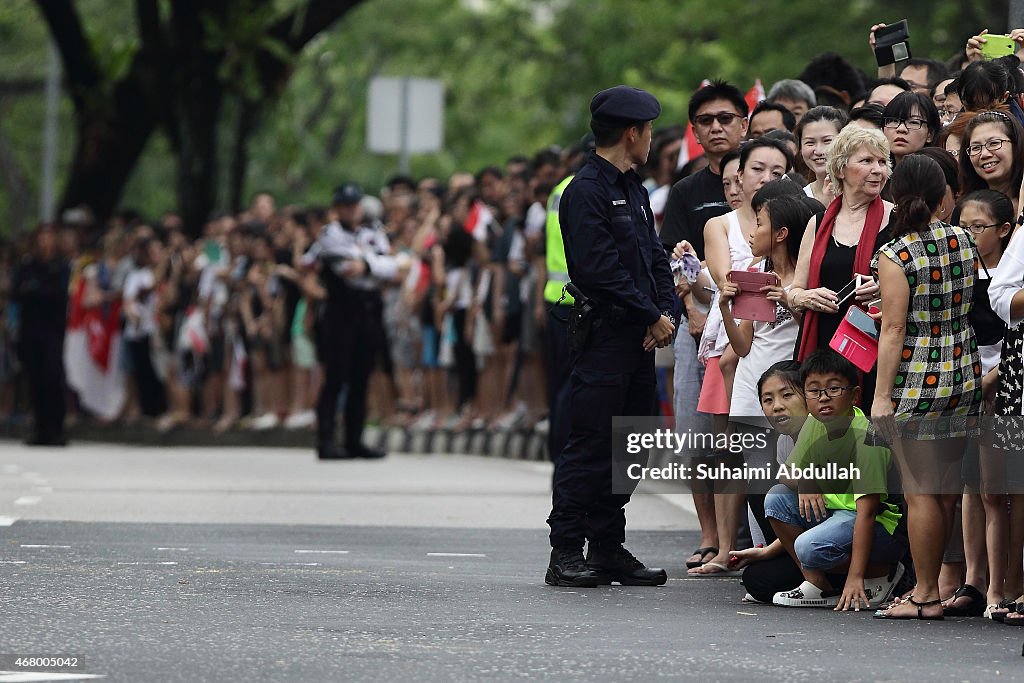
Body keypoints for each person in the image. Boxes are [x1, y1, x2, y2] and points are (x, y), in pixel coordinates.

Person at [545, 85, 674, 587]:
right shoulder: (586, 191)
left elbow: (653, 259)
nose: (649, 141)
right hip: (604, 338)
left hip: (640, 337)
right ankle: (565, 550)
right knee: (592, 443)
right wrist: (648, 314)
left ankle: (607, 545)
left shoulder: (633, 188)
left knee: (634, 444)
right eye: (646, 132)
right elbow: (599, 270)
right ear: (632, 133)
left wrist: (663, 312)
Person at [872, 154, 982, 620]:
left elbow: (893, 329)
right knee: (945, 492)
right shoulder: (963, 239)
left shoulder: (894, 255)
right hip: (964, 372)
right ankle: (934, 587)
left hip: (918, 378)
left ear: (895, 196)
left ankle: (925, 594)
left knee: (919, 493)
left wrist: (880, 396)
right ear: (944, 195)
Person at [766, 350, 906, 610]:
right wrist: (808, 480)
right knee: (776, 498)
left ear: (854, 395)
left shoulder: (866, 439)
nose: (824, 398)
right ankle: (818, 585)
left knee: (807, 547)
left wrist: (856, 578)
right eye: (814, 390)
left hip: (878, 525)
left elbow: (866, 513)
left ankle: (878, 573)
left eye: (834, 388)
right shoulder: (813, 423)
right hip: (836, 513)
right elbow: (787, 474)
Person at [788, 126, 891, 409]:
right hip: (823, 341)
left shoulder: (898, 220)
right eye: (867, 161)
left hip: (875, 346)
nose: (878, 170)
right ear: (841, 169)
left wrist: (884, 291)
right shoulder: (818, 223)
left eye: (882, 162)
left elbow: (916, 287)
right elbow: (793, 291)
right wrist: (806, 296)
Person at [307, 182, 397, 460]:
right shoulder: (329, 235)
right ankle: (326, 439)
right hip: (340, 310)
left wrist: (369, 265)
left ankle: (354, 439)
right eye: (345, 206)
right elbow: (347, 268)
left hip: (368, 310)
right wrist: (372, 263)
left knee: (362, 376)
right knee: (336, 377)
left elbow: (391, 267)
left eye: (355, 205)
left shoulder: (374, 231)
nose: (351, 210)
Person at [11, 225, 70, 446]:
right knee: (34, 379)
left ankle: (56, 428)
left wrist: (35, 290)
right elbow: (18, 291)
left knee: (52, 378)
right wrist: (36, 291)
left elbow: (58, 294)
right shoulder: (27, 266)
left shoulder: (60, 266)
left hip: (52, 331)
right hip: (30, 331)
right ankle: (39, 428)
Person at [959, 110, 1024, 214]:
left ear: (1016, 146)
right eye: (976, 148)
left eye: (994, 143)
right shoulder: (964, 211)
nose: (984, 154)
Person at [795, 106, 849, 207]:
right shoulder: (798, 199)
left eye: (827, 141)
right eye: (810, 143)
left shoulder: (860, 194)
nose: (819, 151)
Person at [882, 92, 942, 166]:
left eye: (913, 122)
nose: (901, 129)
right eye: (894, 121)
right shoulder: (877, 173)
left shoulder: (938, 174)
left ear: (930, 134)